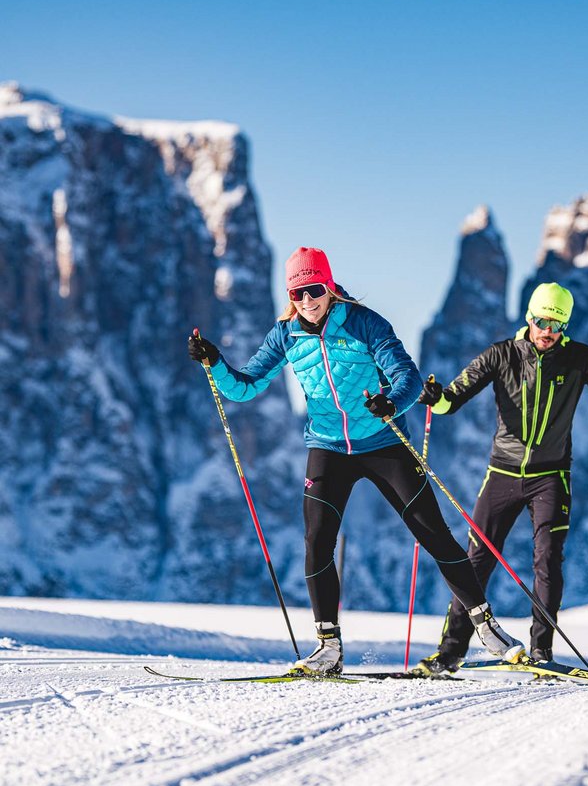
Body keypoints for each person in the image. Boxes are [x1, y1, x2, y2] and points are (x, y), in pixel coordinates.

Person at [188, 246, 525, 675]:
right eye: (297, 293)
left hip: (381, 441)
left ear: (330, 287)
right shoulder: (285, 335)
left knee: (433, 533)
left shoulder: (365, 323)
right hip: (328, 447)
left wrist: (391, 403)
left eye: (314, 290)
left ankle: (486, 626)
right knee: (317, 541)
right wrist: (214, 362)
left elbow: (408, 376)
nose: (307, 302)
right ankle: (328, 647)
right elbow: (245, 387)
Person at [416, 282, 588, 674]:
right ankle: (450, 652)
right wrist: (435, 396)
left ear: (565, 327)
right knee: (475, 561)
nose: (547, 331)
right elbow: (451, 400)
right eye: (542, 321)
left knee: (548, 560)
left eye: (556, 325)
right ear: (529, 317)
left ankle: (541, 650)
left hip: (551, 476)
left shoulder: (578, 358)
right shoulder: (502, 354)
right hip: (502, 472)